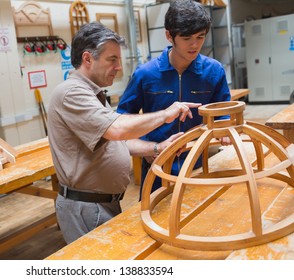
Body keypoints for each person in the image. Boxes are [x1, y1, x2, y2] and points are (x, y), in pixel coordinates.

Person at [47, 22, 201, 244]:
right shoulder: (71, 93)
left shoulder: (92, 93)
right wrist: (167, 113)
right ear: (88, 59)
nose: (119, 67)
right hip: (86, 206)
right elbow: (117, 129)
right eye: (112, 59)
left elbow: (110, 142)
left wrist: (157, 148)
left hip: (101, 202)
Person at [117, 0, 231, 195]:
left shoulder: (214, 71)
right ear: (169, 35)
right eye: (187, 38)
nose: (195, 45)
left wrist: (224, 128)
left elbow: (223, 112)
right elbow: (122, 121)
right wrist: (147, 148)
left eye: (200, 36)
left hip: (199, 166)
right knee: (155, 216)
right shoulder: (145, 74)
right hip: (157, 167)